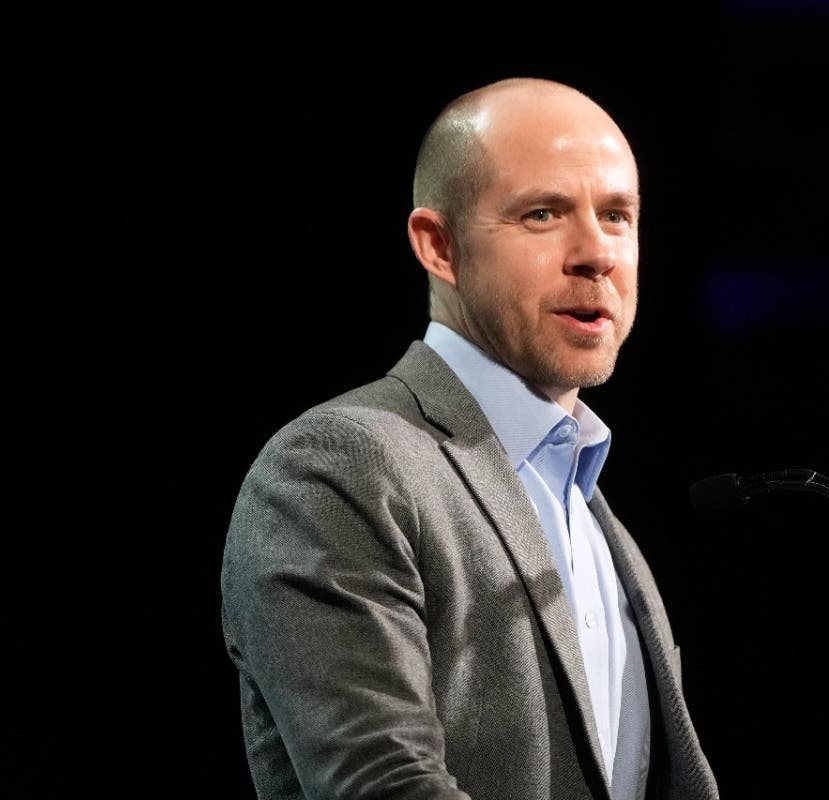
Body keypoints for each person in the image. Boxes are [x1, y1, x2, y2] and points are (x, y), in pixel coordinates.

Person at [221, 76, 719, 800]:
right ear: (438, 245)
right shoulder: (340, 466)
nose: (595, 254)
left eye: (616, 216)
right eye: (543, 214)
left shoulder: (594, 514)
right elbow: (381, 785)